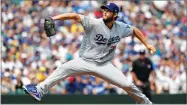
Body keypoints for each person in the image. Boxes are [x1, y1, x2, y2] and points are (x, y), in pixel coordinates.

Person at [22, 3, 156, 104]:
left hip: (104, 65)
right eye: (104, 9)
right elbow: (74, 16)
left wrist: (147, 44)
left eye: (108, 11)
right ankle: (39, 91)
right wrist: (54, 18)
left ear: (115, 14)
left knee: (127, 85)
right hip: (84, 61)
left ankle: (146, 103)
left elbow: (134, 30)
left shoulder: (120, 27)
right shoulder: (94, 23)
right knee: (63, 68)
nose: (105, 12)